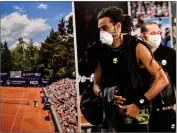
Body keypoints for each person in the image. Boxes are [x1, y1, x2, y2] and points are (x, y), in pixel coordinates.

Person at [93, 6, 169, 132]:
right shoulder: (101, 52)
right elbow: (96, 83)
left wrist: (138, 105)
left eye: (105, 28)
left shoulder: (136, 46)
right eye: (100, 29)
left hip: (136, 115)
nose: (101, 32)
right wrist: (104, 95)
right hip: (111, 117)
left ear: (118, 26)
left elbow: (162, 79)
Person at [140, 22, 176, 132]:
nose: (157, 36)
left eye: (159, 33)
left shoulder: (170, 53)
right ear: (143, 35)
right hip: (142, 111)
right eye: (153, 33)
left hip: (166, 111)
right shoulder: (137, 55)